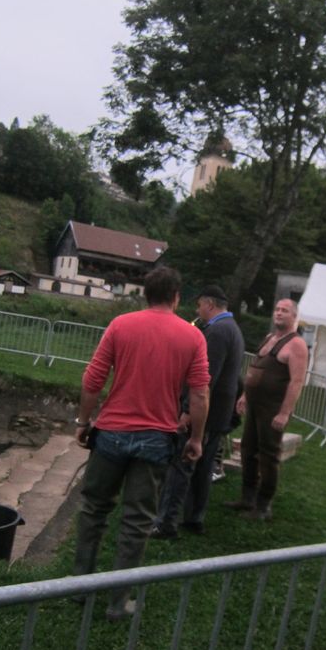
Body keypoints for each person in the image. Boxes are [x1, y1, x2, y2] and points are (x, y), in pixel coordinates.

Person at [72, 266, 209, 620]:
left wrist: (84, 422)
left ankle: (79, 588)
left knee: (93, 509)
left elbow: (93, 378)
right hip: (156, 440)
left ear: (145, 294)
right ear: (176, 297)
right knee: (136, 521)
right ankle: (118, 603)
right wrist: (196, 438)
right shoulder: (192, 337)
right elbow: (199, 395)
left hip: (110, 434)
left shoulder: (120, 325)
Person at [152, 285, 244, 537]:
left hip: (204, 412)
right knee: (203, 468)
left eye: (200, 305)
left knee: (181, 465)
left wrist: (187, 411)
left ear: (210, 304)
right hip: (219, 413)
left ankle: (166, 522)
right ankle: (194, 518)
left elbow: (205, 378)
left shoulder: (217, 331)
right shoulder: (233, 329)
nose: (198, 310)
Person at [224, 298, 308, 520]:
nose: (279, 313)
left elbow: (297, 381)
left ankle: (263, 506)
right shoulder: (270, 338)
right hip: (255, 405)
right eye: (277, 309)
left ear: (294, 316)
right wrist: (245, 395)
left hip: (273, 408)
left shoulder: (296, 344)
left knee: (268, 456)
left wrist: (284, 413)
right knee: (248, 450)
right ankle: (247, 498)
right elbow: (255, 368)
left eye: (285, 310)